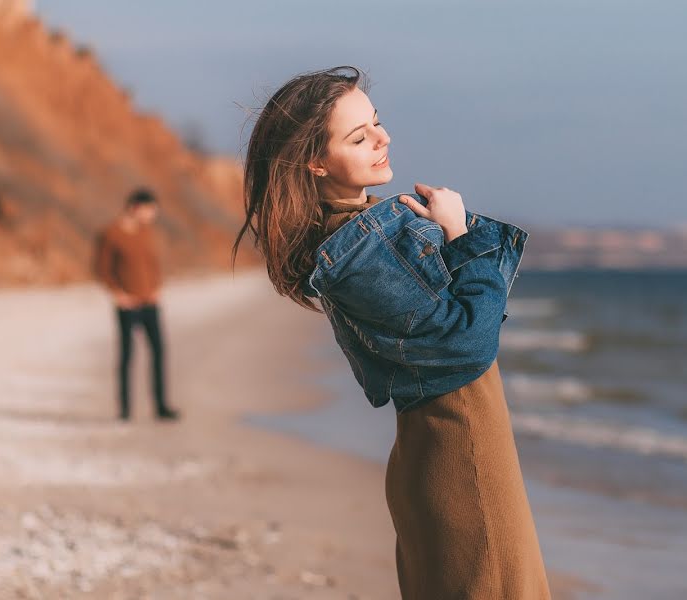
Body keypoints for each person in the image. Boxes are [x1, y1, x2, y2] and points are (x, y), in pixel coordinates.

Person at [233, 66, 551, 598]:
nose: (384, 139)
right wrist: (462, 237)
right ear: (315, 161)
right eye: (359, 137)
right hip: (461, 452)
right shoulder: (357, 249)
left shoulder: (361, 233)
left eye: (376, 124)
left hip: (444, 448)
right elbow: (466, 342)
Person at [95, 188, 179, 422]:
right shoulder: (111, 234)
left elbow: (154, 264)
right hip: (127, 305)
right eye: (149, 210)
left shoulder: (147, 233)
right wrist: (118, 294)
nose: (152, 215)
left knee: (159, 352)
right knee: (126, 356)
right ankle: (124, 410)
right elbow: (102, 269)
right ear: (134, 208)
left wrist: (157, 288)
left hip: (150, 302)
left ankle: (161, 406)